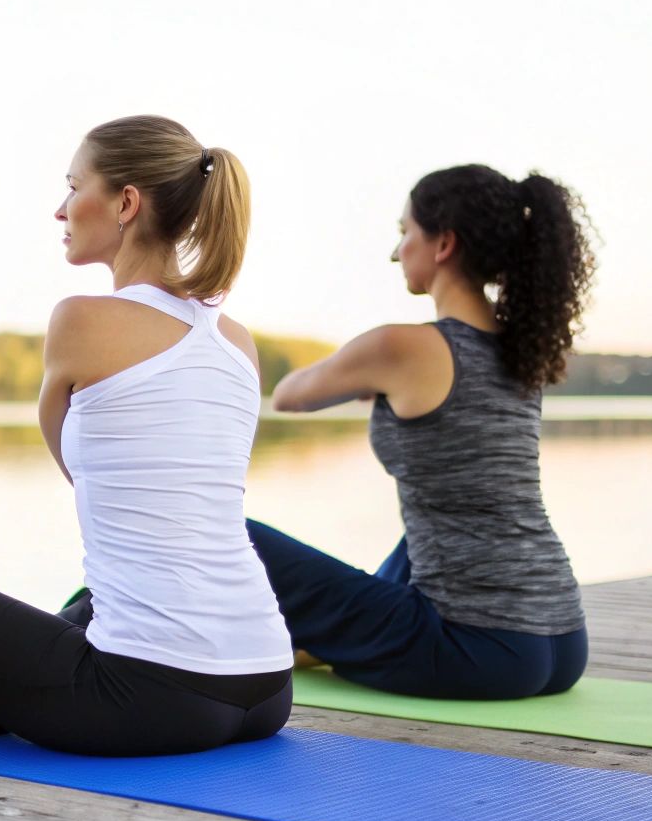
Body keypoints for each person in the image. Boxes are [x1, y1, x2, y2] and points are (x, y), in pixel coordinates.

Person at [0, 114, 295, 757]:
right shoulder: (237, 342)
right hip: (267, 685)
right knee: (91, 602)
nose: (60, 208)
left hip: (151, 701)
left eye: (75, 186)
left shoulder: (82, 319)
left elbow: (74, 470)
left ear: (126, 203)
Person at [248, 164, 598, 699]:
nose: (396, 252)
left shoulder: (401, 346)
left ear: (444, 244)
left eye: (404, 232)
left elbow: (289, 395)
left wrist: (366, 377)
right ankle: (331, 641)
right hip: (564, 640)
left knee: (230, 530)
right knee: (429, 526)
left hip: (473, 648)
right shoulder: (521, 352)